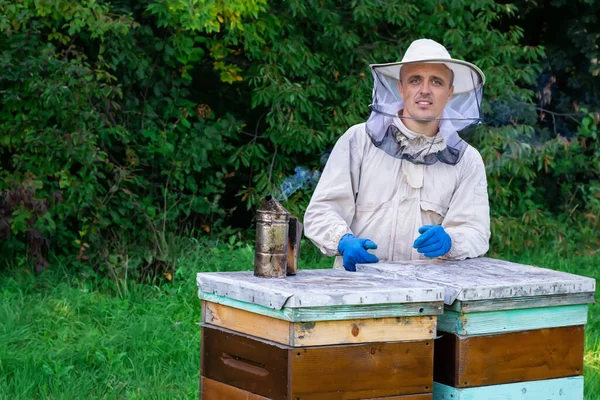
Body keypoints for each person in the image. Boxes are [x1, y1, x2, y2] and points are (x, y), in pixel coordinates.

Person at [303, 39, 490, 271]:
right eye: (415, 80)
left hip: (430, 293)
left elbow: (476, 232)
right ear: (401, 88)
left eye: (436, 82)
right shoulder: (359, 140)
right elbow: (321, 211)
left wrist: (452, 241)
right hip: (356, 289)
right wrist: (342, 240)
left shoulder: (467, 161)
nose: (425, 90)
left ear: (450, 92)